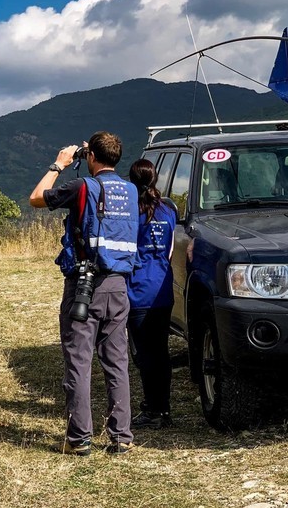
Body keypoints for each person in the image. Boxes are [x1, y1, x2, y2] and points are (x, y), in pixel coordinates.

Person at [29, 131, 139, 456]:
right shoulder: (131, 190)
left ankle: (79, 439)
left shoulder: (82, 187)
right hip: (119, 285)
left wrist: (59, 164)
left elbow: (36, 198)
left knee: (79, 361)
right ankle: (121, 436)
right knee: (117, 361)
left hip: (84, 285)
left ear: (91, 157)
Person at [126, 159, 176, 429]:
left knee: (144, 355)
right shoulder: (168, 210)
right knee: (161, 352)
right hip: (163, 288)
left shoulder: (131, 212)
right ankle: (164, 408)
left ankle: (152, 409)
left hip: (137, 290)